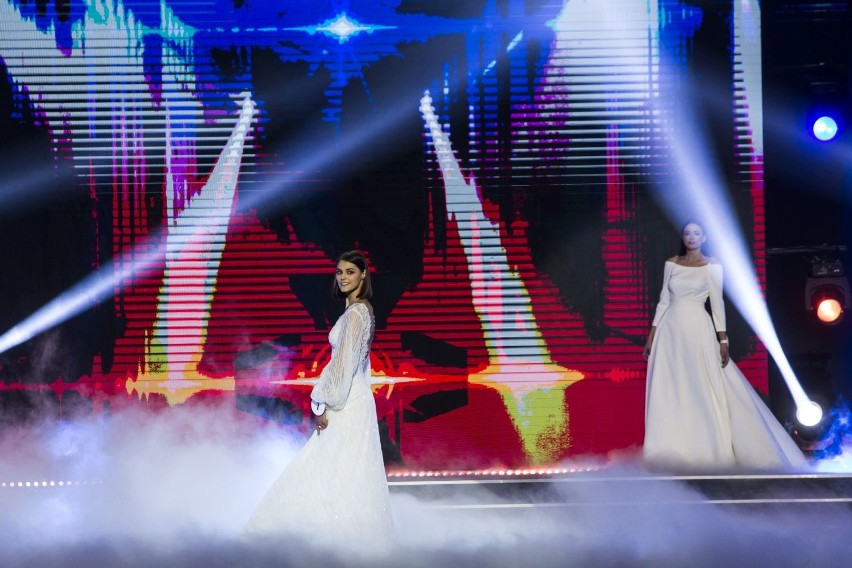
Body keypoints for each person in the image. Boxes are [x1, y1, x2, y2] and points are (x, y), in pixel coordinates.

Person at [243, 250, 395, 549]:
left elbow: (345, 364)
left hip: (347, 401)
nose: (343, 277)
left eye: (350, 272)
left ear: (363, 275)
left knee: (330, 466)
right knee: (344, 470)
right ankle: (344, 541)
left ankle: (325, 540)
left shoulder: (356, 313)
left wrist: (323, 402)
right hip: (356, 397)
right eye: (339, 272)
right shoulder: (360, 311)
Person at [642, 221, 807, 471]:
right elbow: (664, 300)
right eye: (688, 233)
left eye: (697, 233)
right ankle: (666, 449)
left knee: (702, 385)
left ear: (704, 236)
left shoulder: (712, 265)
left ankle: (708, 448)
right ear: (683, 237)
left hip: (698, 328)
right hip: (670, 331)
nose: (692, 237)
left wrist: (723, 340)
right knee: (671, 387)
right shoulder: (672, 263)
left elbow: (716, 303)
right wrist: (652, 334)